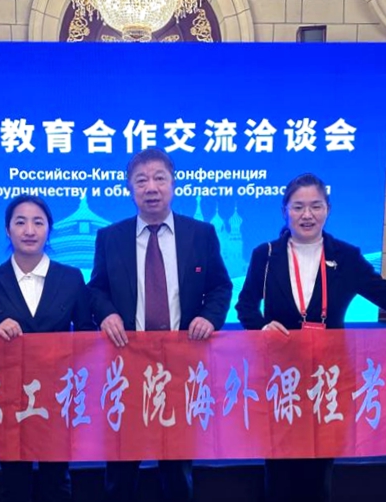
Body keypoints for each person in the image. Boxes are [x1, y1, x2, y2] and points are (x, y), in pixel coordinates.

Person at [235, 172, 386, 502]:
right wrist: (262, 326)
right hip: (280, 378)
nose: (307, 215)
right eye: (298, 207)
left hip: (329, 378)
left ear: (328, 209)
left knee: (319, 468)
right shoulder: (265, 255)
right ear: (285, 211)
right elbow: (245, 305)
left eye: (316, 206)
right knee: (279, 467)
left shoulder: (347, 257)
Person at [88, 148, 233, 502]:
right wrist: (105, 314)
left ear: (173, 183)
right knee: (121, 467)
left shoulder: (201, 233)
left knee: (177, 467)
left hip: (181, 366)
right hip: (125, 366)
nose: (150, 187)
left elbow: (220, 286)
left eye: (159, 178)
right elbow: (96, 289)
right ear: (129, 188)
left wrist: (209, 317)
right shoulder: (111, 237)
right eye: (141, 180)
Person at [0, 194, 94, 502]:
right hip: (7, 399)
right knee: (14, 484)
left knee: (56, 482)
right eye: (20, 222)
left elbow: (87, 333)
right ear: (7, 230)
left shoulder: (71, 278)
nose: (29, 230)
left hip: (57, 398)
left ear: (49, 229)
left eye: (38, 222)